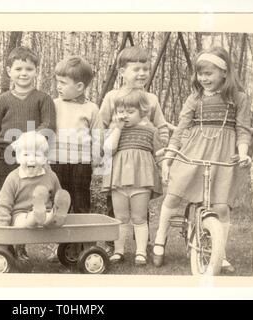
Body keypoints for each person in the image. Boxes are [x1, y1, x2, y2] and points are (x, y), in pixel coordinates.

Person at [152, 47, 253, 273]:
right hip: (193, 153)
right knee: (174, 194)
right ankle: (160, 238)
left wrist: (244, 152)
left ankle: (220, 252)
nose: (204, 78)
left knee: (221, 207)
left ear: (225, 73)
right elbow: (180, 131)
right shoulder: (194, 98)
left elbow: (243, 129)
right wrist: (169, 158)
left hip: (224, 155)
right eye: (200, 74)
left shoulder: (239, 98)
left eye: (209, 73)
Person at [0, 46, 56, 260]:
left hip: (33, 155)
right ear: (9, 71)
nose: (23, 73)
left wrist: (30, 140)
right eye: (18, 68)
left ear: (36, 71)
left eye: (28, 68)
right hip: (5, 153)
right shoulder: (2, 100)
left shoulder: (43, 99)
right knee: (7, 198)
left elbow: (49, 125)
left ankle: (22, 245)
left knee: (29, 199)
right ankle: (7, 243)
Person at [98, 45, 169, 253]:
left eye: (145, 69)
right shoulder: (112, 96)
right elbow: (100, 125)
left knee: (140, 203)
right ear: (122, 72)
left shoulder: (151, 99)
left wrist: (161, 136)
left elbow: (161, 126)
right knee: (116, 206)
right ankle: (114, 244)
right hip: (117, 158)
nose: (142, 73)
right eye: (136, 69)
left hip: (141, 161)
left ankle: (141, 244)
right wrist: (104, 148)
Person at [102, 89, 162, 266]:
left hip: (141, 179)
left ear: (142, 112)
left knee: (139, 218)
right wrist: (118, 129)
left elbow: (158, 154)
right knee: (120, 218)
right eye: (121, 111)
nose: (124, 115)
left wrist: (165, 167)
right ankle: (119, 251)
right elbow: (109, 149)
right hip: (118, 180)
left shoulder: (150, 131)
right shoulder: (115, 130)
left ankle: (141, 252)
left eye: (130, 112)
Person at [49, 55, 104, 214]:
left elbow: (97, 135)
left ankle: (83, 237)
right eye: (57, 81)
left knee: (81, 200)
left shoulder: (91, 108)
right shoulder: (53, 104)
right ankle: (64, 238)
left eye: (63, 83)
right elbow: (46, 131)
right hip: (56, 161)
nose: (58, 86)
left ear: (80, 86)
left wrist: (96, 159)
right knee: (60, 201)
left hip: (81, 164)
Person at [0, 131, 71, 229]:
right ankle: (36, 215)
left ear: (44, 158)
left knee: (48, 216)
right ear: (18, 157)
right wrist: (2, 226)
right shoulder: (13, 178)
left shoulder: (51, 176)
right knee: (23, 220)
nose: (31, 159)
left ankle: (54, 216)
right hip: (20, 216)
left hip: (45, 216)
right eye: (26, 155)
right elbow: (4, 204)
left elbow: (57, 196)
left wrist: (58, 205)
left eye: (37, 155)